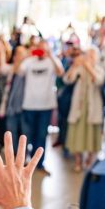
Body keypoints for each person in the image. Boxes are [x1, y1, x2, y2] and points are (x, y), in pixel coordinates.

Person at [19, 39, 65, 170]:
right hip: (29, 104)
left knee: (41, 135)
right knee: (28, 135)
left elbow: (60, 72)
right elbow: (18, 71)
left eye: (44, 49)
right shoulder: (29, 61)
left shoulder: (52, 61)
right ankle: (27, 161)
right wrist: (28, 54)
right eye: (39, 48)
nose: (41, 52)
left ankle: (39, 164)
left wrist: (50, 55)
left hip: (46, 105)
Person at [63, 47, 105, 171]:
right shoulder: (79, 68)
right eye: (88, 55)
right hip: (79, 108)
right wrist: (74, 66)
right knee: (76, 135)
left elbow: (99, 81)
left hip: (93, 109)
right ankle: (78, 160)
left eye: (92, 56)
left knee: (92, 136)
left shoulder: (99, 69)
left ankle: (89, 160)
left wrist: (88, 67)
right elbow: (67, 79)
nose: (89, 58)